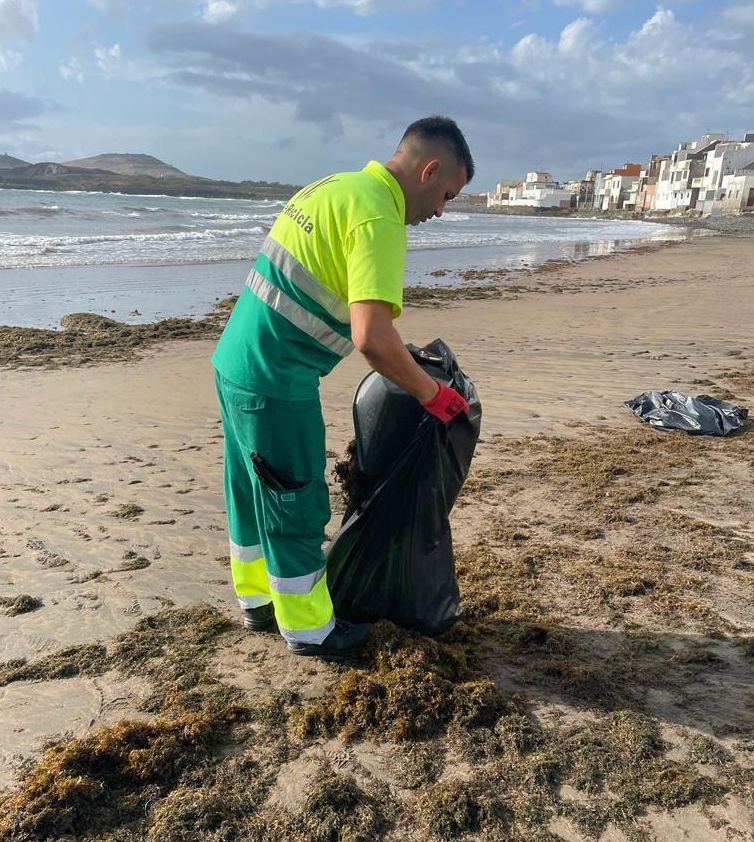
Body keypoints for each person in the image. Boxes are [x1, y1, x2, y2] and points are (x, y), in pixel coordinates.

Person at [212, 115, 474, 658]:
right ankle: (310, 629)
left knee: (250, 492)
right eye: (447, 194)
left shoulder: (334, 187)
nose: (441, 211)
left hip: (234, 362)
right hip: (276, 379)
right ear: (428, 171)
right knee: (294, 500)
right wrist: (433, 394)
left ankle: (258, 602)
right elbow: (373, 338)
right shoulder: (378, 217)